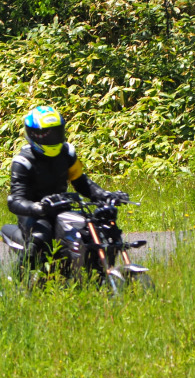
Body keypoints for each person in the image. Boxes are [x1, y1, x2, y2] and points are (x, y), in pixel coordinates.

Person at [7, 105, 127, 267]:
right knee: (40, 238)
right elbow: (15, 201)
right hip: (34, 214)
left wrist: (105, 195)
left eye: (56, 132)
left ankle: (93, 271)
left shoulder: (67, 153)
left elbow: (82, 182)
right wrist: (38, 207)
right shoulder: (23, 161)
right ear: (33, 134)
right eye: (47, 133)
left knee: (93, 230)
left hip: (61, 207)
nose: (53, 137)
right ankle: (21, 278)